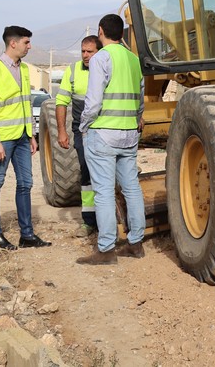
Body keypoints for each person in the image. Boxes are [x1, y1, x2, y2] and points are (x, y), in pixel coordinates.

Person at [76, 14, 146, 264]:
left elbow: (93, 101)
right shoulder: (134, 60)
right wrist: (137, 118)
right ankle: (136, 244)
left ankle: (106, 250)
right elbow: (140, 98)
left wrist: (84, 125)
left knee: (103, 192)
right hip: (129, 134)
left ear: (101, 31)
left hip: (103, 133)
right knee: (131, 189)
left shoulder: (101, 58)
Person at [0, 25, 51, 251]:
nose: (29, 46)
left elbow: (25, 103)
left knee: (26, 183)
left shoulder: (25, 69)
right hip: (3, 139)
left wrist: (31, 135)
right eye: (26, 42)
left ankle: (26, 235)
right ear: (13, 43)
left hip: (22, 137)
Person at [55, 35, 102, 237]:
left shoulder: (106, 68)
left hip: (104, 128)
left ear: (99, 52)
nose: (85, 55)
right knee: (87, 171)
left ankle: (108, 219)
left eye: (89, 51)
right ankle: (89, 221)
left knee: (107, 172)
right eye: (83, 51)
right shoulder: (73, 71)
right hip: (81, 130)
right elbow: (61, 101)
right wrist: (62, 131)